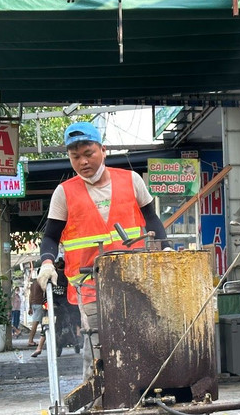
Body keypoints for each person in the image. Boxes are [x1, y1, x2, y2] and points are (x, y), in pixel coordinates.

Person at [36, 122, 169, 381]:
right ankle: (97, 400)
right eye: (76, 157)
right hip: (90, 285)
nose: (83, 161)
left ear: (103, 150)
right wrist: (47, 263)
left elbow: (152, 220)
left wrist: (165, 251)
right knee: (97, 348)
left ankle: (139, 392)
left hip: (135, 279)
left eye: (89, 153)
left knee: (140, 341)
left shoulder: (131, 180)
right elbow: (51, 236)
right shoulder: (64, 193)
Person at [27, 279, 45, 350]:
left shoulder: (33, 283)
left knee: (39, 322)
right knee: (36, 323)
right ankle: (30, 340)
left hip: (34, 304)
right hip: (39, 304)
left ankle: (33, 340)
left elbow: (30, 295)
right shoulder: (42, 282)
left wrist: (30, 307)